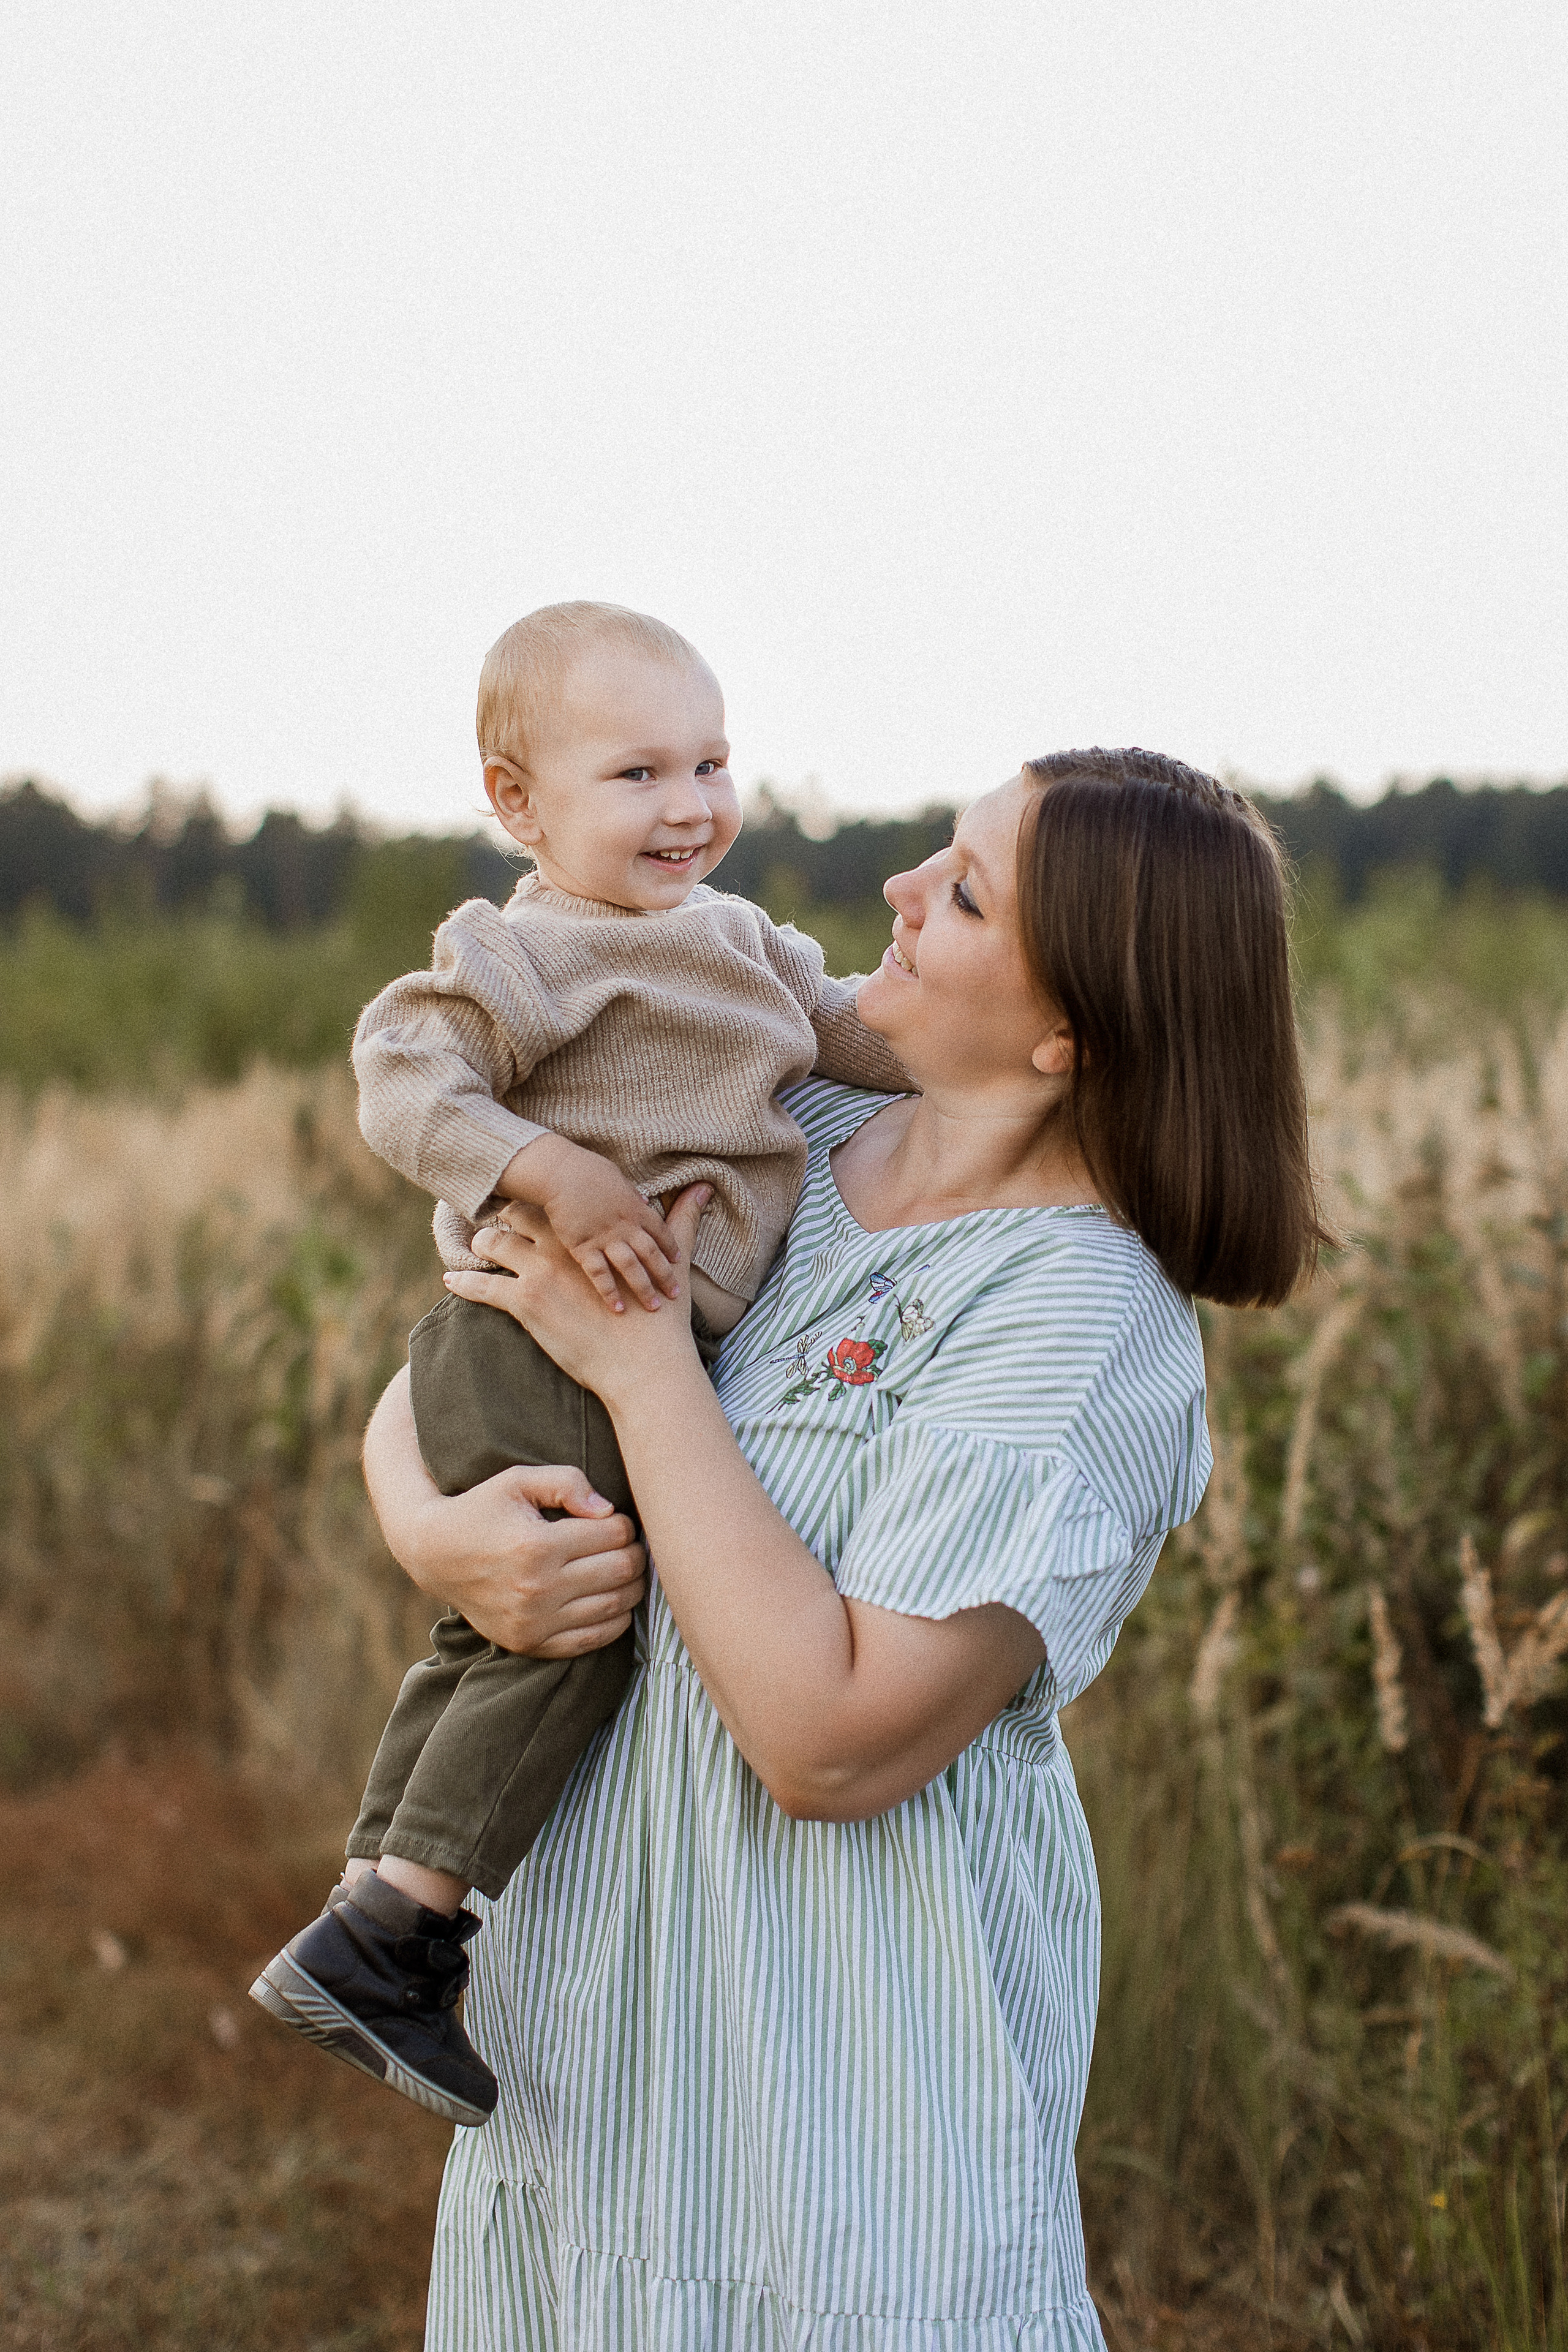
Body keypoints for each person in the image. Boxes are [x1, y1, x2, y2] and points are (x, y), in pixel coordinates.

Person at [363, 749, 1327, 2350]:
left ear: (1067, 1027)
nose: (895, 888)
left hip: (839, 2163)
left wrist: (649, 1367)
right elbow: (445, 1361)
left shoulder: (1078, 1326)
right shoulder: (774, 1124)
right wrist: (436, 1530)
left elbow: (829, 1738)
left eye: (960, 890)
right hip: (588, 2074)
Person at [249, 601, 909, 2124]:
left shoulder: (742, 941)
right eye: (636, 776)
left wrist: (1011, 1041)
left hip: (613, 1348)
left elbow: (856, 1036)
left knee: (503, 1630)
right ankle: (405, 1928)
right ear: (516, 802)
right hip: (529, 1333)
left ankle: (370, 1915)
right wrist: (546, 1167)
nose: (689, 806)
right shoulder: (524, 947)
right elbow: (401, 1079)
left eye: (710, 763)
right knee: (576, 1622)